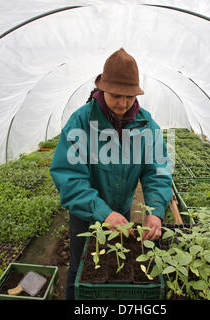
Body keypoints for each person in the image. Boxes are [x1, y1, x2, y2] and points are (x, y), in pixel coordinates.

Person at [49, 48, 173, 300]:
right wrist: (103, 213)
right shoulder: (82, 123)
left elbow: (157, 172)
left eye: (129, 96)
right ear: (101, 88)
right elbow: (69, 177)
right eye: (116, 95)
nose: (123, 103)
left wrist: (155, 212)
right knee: (80, 268)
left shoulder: (146, 125)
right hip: (85, 213)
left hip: (122, 211)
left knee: (115, 265)